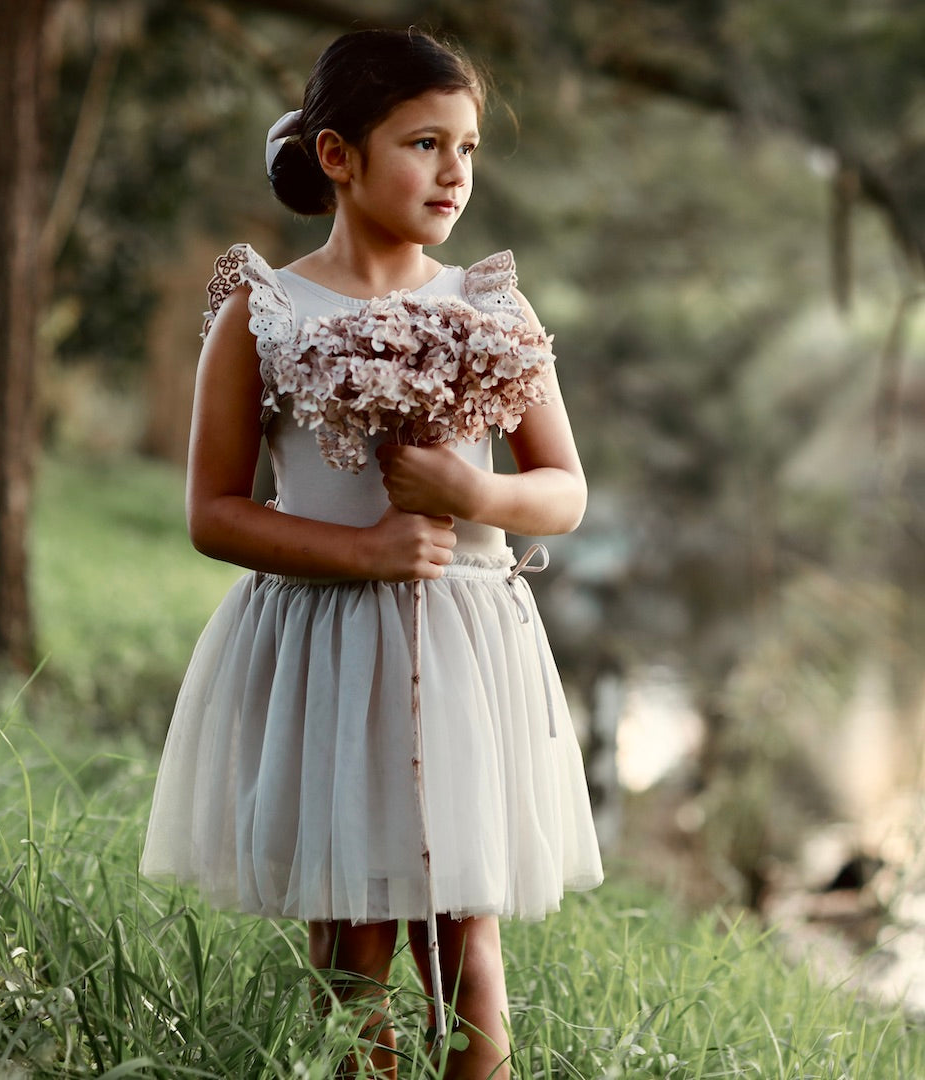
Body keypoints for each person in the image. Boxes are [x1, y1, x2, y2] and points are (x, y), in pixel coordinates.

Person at [140, 27, 603, 1079]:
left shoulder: (489, 307)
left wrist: (476, 491)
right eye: (425, 143)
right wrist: (365, 549)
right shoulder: (263, 312)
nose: (455, 173)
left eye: (470, 148)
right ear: (338, 156)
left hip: (464, 647)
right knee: (350, 942)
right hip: (328, 649)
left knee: (462, 934)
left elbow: (565, 490)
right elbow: (214, 512)